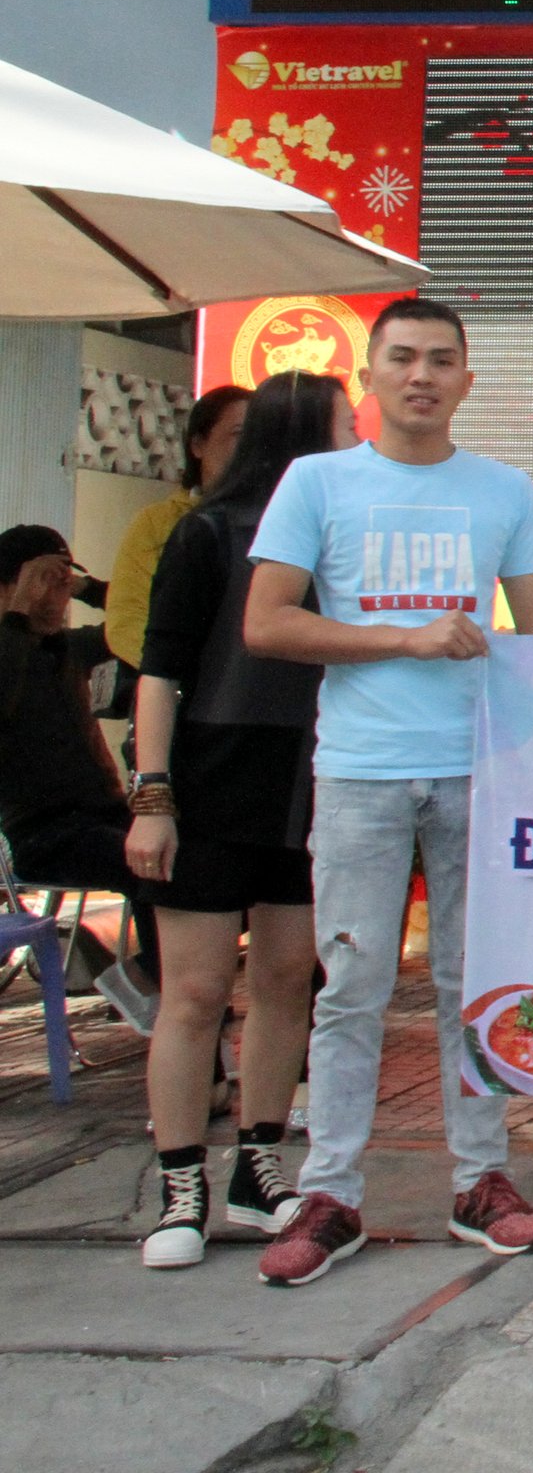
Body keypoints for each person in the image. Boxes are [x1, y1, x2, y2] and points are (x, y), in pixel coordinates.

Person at [243, 297, 533, 1288]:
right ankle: (332, 1192)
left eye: (441, 360)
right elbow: (267, 623)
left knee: (470, 980)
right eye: (402, 357)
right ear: (370, 372)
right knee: (352, 983)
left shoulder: (500, 487)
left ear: (466, 379)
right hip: (359, 770)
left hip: (479, 766)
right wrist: (400, 638)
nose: (421, 376)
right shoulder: (316, 482)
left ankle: (481, 1177)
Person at [126, 371, 350, 1270]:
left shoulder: (338, 539)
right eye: (343, 423)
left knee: (290, 978)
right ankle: (182, 1183)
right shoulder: (207, 533)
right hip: (209, 781)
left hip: (307, 783)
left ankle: (262, 1168)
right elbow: (160, 671)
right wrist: (153, 796)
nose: (355, 438)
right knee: (193, 992)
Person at [0, 523, 155, 1024]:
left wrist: (88, 587)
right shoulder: (8, 649)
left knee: (189, 853)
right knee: (147, 863)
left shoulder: (68, 649)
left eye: (61, 580)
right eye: (43, 579)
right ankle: (157, 990)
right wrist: (19, 612)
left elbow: (141, 622)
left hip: (106, 816)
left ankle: (150, 980)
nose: (55, 593)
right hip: (43, 832)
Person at [106, 384, 251, 676]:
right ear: (198, 444)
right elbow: (126, 622)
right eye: (238, 433)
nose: (250, 446)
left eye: (258, 435)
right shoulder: (157, 523)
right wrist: (179, 673)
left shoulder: (277, 520)